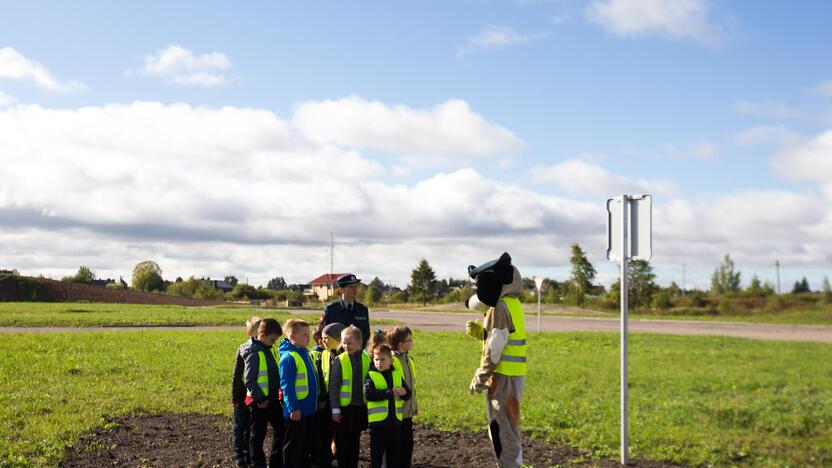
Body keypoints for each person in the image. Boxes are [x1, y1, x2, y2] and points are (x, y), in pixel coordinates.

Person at [465, 252, 527, 468]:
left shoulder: (499, 306)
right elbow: (501, 339)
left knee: (503, 433)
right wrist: (483, 334)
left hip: (502, 379)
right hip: (512, 376)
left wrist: (480, 377)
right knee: (510, 430)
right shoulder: (512, 303)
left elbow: (495, 349)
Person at [243, 318, 285, 468]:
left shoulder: (267, 349)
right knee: (257, 436)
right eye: (272, 339)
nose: (274, 343)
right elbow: (249, 380)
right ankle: (257, 464)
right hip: (258, 402)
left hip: (271, 399)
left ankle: (275, 462)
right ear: (261, 334)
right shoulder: (254, 352)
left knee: (281, 428)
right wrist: (260, 399)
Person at [279, 319, 319, 467]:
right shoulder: (289, 357)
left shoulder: (306, 354)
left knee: (304, 448)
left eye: (308, 334)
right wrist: (293, 408)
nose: (308, 338)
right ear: (293, 337)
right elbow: (286, 386)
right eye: (304, 335)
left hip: (308, 411)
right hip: (297, 412)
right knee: (293, 448)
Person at [329, 325, 370, 468]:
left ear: (359, 342)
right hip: (343, 409)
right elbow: (333, 386)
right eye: (344, 342)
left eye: (350, 343)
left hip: (359, 407)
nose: (346, 346)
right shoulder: (340, 360)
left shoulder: (367, 359)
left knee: (355, 441)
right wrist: (335, 409)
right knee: (342, 442)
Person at [364, 343, 410, 468]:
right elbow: (369, 394)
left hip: (395, 423)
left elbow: (407, 394)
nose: (379, 362)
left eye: (382, 359)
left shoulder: (396, 374)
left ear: (391, 360)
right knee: (377, 456)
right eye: (376, 359)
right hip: (378, 425)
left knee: (394, 455)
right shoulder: (371, 375)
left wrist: (404, 392)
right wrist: (390, 393)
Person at [232, 316, 261, 468]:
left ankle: (249, 455)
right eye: (257, 329)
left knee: (251, 426)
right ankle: (239, 456)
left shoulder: (266, 349)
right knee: (239, 425)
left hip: (256, 394)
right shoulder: (244, 348)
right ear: (250, 332)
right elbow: (237, 374)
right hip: (243, 392)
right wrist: (235, 396)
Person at [315, 322, 345, 467]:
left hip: (341, 402)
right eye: (322, 338)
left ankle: (338, 457)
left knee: (339, 434)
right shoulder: (323, 355)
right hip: (326, 402)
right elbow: (320, 377)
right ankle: (325, 461)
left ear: (337, 338)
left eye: (327, 338)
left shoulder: (344, 356)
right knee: (324, 433)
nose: (323, 341)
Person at [387, 326, 418, 468]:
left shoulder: (408, 358)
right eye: (409, 340)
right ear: (400, 344)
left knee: (407, 446)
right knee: (396, 448)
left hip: (407, 412)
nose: (412, 342)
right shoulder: (392, 360)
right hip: (397, 413)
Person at [321, 274, 371, 348]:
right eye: (351, 287)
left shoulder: (362, 309)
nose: (354, 289)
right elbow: (324, 333)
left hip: (358, 353)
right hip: (338, 353)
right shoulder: (331, 309)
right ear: (341, 290)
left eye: (355, 286)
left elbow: (366, 335)